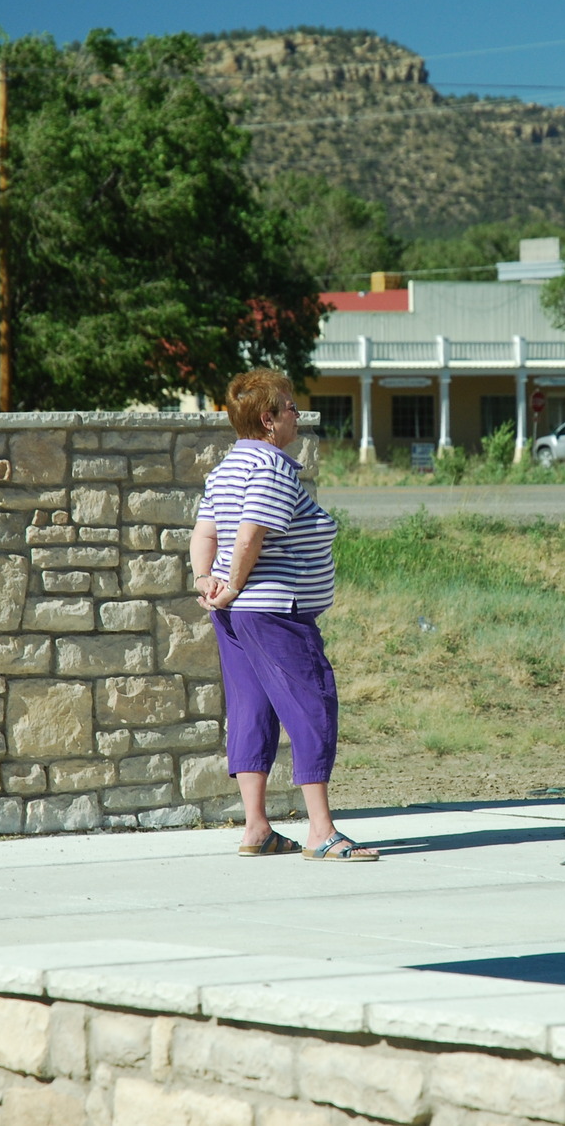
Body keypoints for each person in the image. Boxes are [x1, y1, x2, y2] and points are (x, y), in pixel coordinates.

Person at [191, 369, 376, 861]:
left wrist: (205, 580)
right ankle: (321, 831)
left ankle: (257, 827)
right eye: (292, 407)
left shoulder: (227, 467)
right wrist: (231, 585)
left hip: (234, 613)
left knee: (251, 708)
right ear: (269, 420)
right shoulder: (272, 467)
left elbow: (205, 533)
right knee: (313, 704)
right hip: (274, 610)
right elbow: (251, 534)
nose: (298, 414)